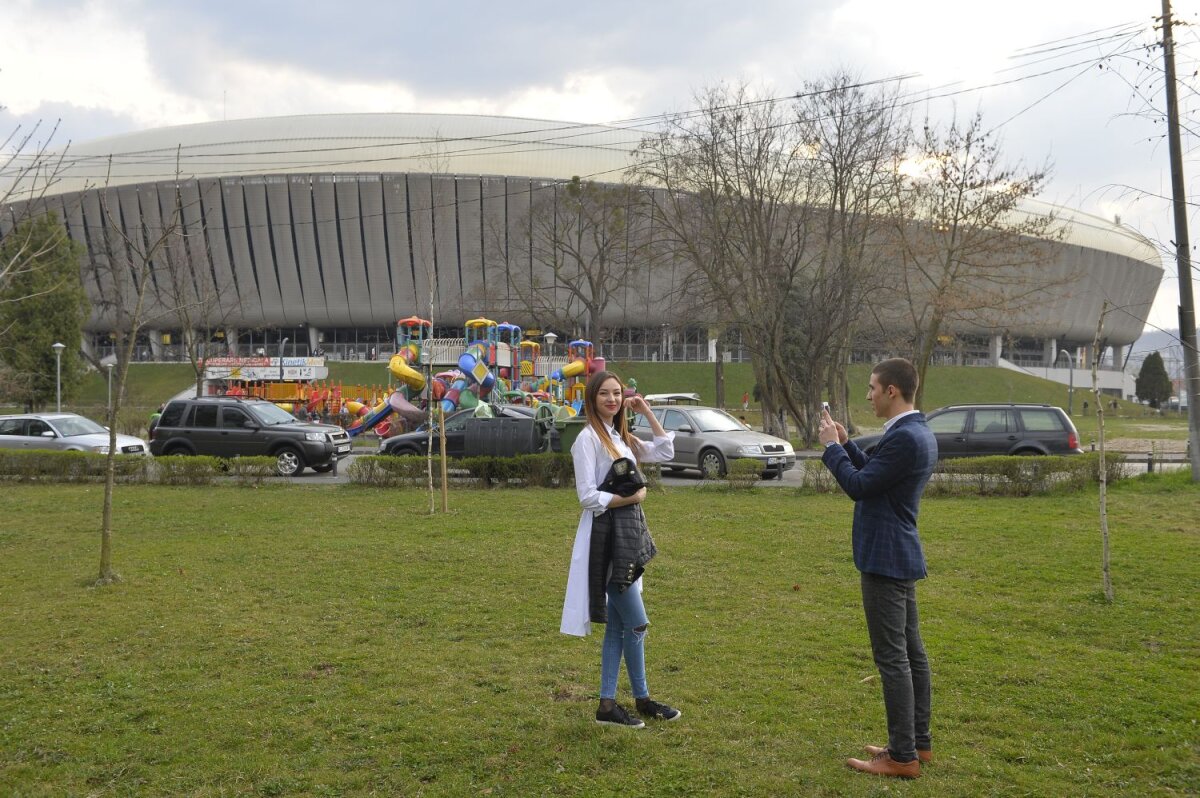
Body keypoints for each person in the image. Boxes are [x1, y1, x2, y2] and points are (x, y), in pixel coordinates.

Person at [817, 358, 938, 779]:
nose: (867, 395)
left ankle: (902, 756)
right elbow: (875, 474)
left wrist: (831, 450)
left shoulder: (904, 437)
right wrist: (847, 444)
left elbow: (859, 486)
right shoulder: (914, 431)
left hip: (886, 558)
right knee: (911, 653)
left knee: (894, 658)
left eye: (871, 388)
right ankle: (918, 743)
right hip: (898, 555)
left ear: (891, 391)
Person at [561, 370, 681, 728]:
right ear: (592, 399)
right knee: (637, 623)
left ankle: (610, 705)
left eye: (617, 393)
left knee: (617, 626)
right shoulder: (587, 439)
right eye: (604, 394)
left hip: (627, 535)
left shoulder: (620, 437)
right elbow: (587, 496)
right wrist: (632, 497)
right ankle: (640, 698)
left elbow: (665, 450)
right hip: (607, 539)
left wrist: (646, 412)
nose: (612, 399)